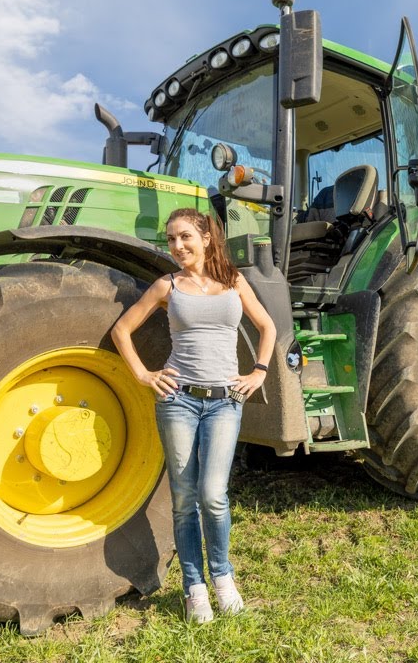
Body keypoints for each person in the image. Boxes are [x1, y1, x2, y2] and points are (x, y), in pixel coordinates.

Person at [111, 207, 276, 624]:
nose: (177, 246)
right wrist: (144, 375)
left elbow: (268, 327)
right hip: (179, 400)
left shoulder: (234, 282)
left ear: (206, 237)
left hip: (225, 401)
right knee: (184, 499)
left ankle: (223, 578)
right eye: (170, 239)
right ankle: (194, 589)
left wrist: (259, 371)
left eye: (185, 236)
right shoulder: (167, 286)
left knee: (213, 496)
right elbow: (121, 330)